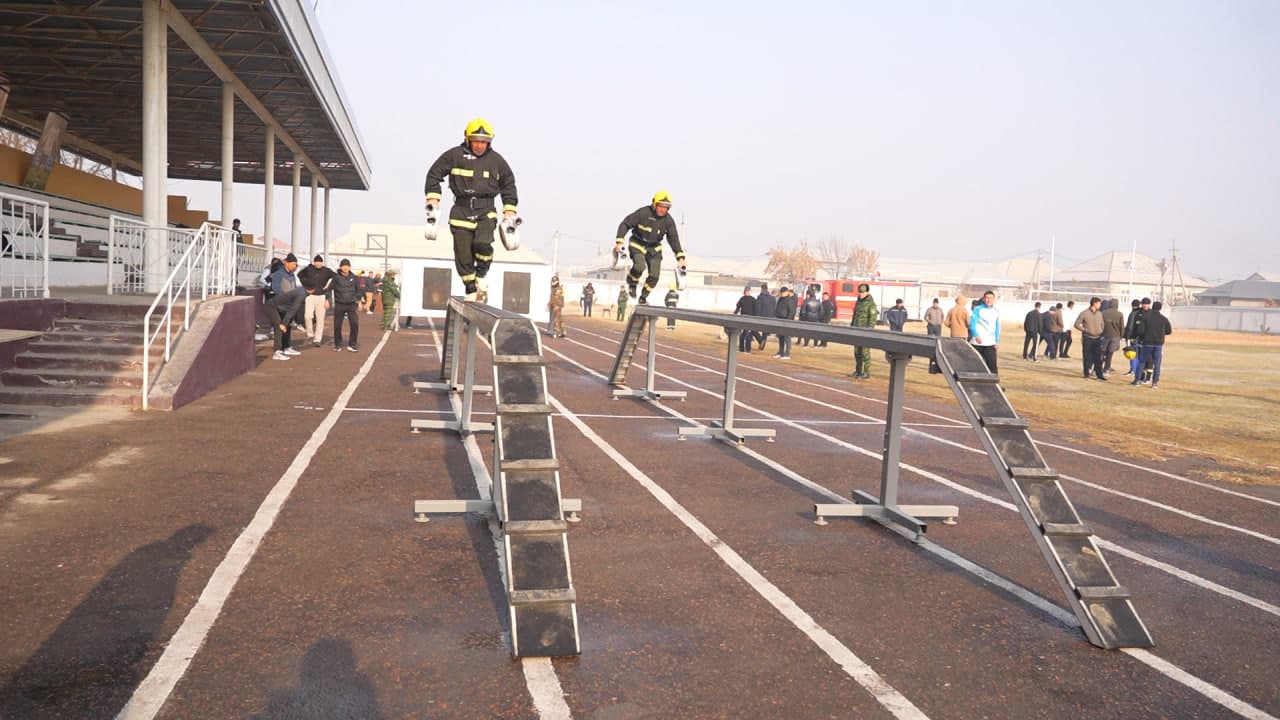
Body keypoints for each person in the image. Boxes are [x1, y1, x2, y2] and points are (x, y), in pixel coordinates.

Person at [424, 117, 519, 301]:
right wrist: (433, 199)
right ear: (467, 139)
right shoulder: (454, 155)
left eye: (484, 142)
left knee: (482, 243)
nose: (480, 145)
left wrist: (510, 210)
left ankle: (481, 272)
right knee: (463, 254)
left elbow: (509, 184)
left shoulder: (497, 161)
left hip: (486, 210)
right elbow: (433, 175)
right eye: (476, 141)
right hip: (461, 210)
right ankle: (470, 288)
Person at [614, 191, 684, 306]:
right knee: (640, 266)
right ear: (654, 204)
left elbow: (673, 238)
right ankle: (632, 282)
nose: (663, 210)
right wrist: (619, 241)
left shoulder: (668, 220)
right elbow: (625, 224)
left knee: (655, 276)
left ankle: (643, 297)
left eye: (666, 207)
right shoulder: (643, 213)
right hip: (638, 243)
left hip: (654, 248)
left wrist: (680, 257)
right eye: (660, 206)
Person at [269, 253, 306, 360]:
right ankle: (277, 351)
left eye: (296, 264)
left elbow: (293, 288)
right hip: (278, 304)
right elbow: (276, 288)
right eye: (293, 264)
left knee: (288, 326)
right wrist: (286, 297)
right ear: (287, 263)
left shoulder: (292, 275)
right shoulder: (278, 274)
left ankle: (286, 347)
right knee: (279, 326)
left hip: (288, 305)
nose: (295, 266)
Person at [297, 254, 334, 346]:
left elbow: (335, 277)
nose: (318, 264)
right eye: (317, 262)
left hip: (322, 296)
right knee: (307, 316)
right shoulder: (309, 269)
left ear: (322, 263)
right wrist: (306, 286)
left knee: (320, 319)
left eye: (320, 262)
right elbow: (299, 275)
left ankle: (317, 340)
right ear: (314, 262)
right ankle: (310, 334)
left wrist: (328, 287)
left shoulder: (326, 271)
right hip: (310, 296)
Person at [1132, 301, 1171, 388]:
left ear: (1152, 307)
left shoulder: (1146, 317)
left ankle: (1137, 380)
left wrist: (1144, 336)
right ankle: (1155, 383)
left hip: (1147, 343)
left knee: (1142, 362)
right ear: (1160, 308)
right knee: (1157, 364)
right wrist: (1161, 332)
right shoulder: (1164, 319)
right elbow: (1169, 331)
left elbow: (1140, 331)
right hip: (1158, 344)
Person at [1074, 297, 1107, 381]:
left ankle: (1099, 375)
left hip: (1097, 338)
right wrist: (1085, 330)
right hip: (1087, 338)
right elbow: (1076, 324)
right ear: (1094, 303)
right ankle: (1086, 373)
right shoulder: (1084, 313)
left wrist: (1101, 331)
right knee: (1087, 356)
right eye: (1099, 303)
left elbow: (1102, 324)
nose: (1100, 305)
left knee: (1098, 357)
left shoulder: (1100, 313)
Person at [331, 259, 360, 352]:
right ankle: (338, 345)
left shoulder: (354, 277)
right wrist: (327, 299)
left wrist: (359, 301)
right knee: (337, 325)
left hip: (351, 304)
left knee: (355, 324)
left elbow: (358, 290)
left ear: (349, 267)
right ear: (340, 267)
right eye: (343, 266)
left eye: (347, 266)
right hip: (339, 304)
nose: (345, 268)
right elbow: (329, 288)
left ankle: (352, 344)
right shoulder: (336, 277)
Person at [849, 283, 877, 378]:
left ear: (867, 292)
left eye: (863, 292)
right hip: (856, 331)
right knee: (857, 352)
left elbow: (872, 319)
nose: (861, 294)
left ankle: (866, 372)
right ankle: (858, 371)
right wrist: (852, 327)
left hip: (865, 332)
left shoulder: (871, 304)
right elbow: (854, 316)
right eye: (860, 292)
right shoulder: (858, 302)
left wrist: (869, 331)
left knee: (865, 353)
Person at [968, 290, 1000, 374]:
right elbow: (972, 325)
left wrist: (997, 341)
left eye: (991, 298)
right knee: (977, 366)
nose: (989, 300)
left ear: (994, 299)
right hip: (977, 343)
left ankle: (994, 382)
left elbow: (997, 326)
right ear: (983, 299)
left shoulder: (996, 311)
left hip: (990, 343)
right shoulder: (977, 309)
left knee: (992, 366)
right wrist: (976, 336)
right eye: (987, 298)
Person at [1124, 298, 1150, 377]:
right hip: (1140, 338)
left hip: (1137, 338)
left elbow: (1130, 326)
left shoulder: (1135, 313)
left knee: (1134, 354)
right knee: (1137, 355)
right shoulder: (1139, 313)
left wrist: (1127, 336)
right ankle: (1136, 371)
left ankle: (1134, 370)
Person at [1101, 298, 1126, 375]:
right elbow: (1122, 327)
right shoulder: (1120, 314)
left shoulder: (1103, 313)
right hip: (1115, 336)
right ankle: (1106, 369)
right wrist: (1121, 336)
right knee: (1110, 353)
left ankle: (1097, 368)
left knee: (1102, 352)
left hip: (1105, 335)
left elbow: (1100, 324)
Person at [773, 286, 796, 360]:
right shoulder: (780, 299)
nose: (782, 294)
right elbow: (777, 309)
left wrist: (788, 320)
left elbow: (792, 311)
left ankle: (787, 353)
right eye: (781, 292)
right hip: (779, 320)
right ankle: (781, 352)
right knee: (781, 337)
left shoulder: (790, 300)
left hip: (786, 320)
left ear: (787, 292)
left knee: (787, 337)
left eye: (783, 292)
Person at [733, 286, 756, 353]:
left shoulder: (753, 299)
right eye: (746, 291)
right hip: (742, 318)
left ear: (750, 292)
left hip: (750, 319)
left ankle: (748, 350)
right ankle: (741, 349)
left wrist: (754, 318)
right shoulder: (742, 299)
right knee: (742, 334)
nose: (747, 292)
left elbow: (755, 310)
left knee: (748, 334)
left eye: (748, 291)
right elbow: (738, 307)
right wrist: (734, 314)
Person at [754, 283, 776, 350]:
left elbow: (758, 308)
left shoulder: (760, 297)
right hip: (769, 318)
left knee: (753, 330)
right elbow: (774, 308)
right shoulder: (772, 298)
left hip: (761, 317)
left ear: (762, 289)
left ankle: (761, 341)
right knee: (765, 333)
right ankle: (762, 346)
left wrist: (756, 317)